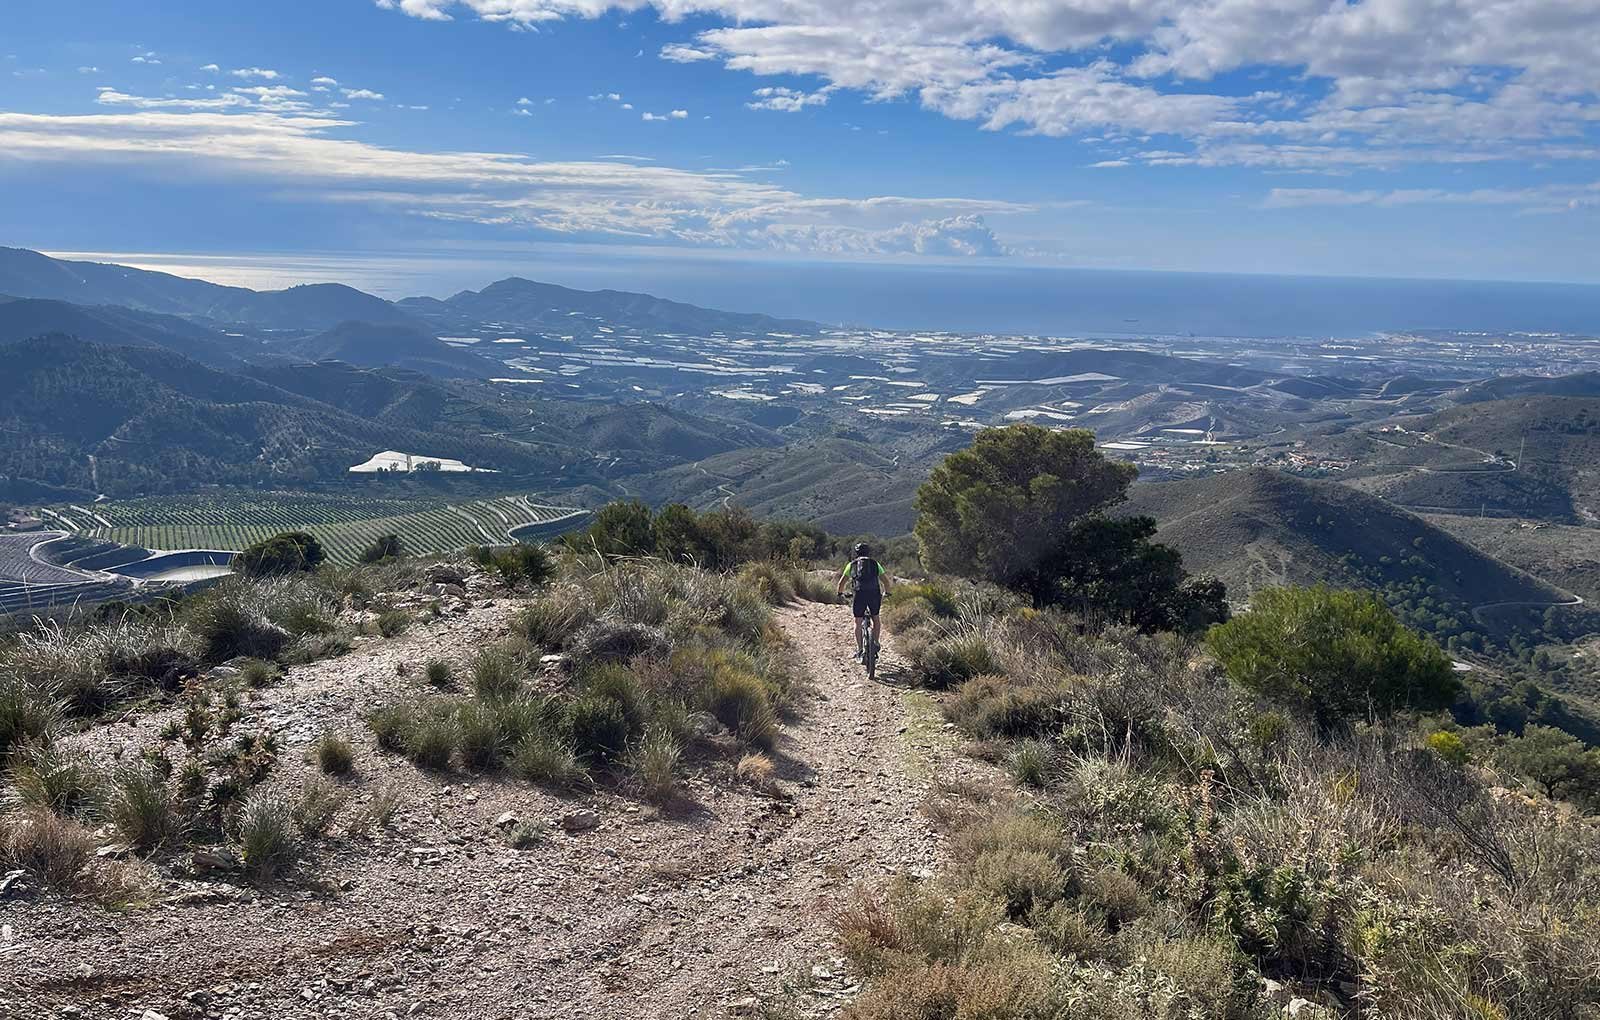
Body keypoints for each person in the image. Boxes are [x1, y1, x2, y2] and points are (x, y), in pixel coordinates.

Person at [837, 542, 891, 662]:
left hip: (859, 594)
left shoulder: (852, 565)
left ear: (856, 553)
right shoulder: (875, 564)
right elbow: (886, 581)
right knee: (876, 618)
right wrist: (887, 593)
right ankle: (876, 643)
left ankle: (860, 650)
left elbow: (841, 582)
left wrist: (840, 593)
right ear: (868, 552)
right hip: (874, 594)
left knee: (858, 621)